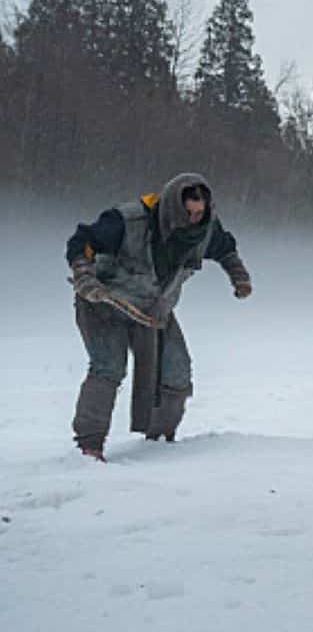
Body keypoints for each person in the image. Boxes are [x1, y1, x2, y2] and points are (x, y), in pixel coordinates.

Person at [64, 172, 252, 459]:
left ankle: (159, 444)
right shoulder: (128, 221)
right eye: (187, 213)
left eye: (199, 213)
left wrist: (239, 277)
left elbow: (226, 249)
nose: (193, 219)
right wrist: (85, 276)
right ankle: (90, 445)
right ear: (173, 207)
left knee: (177, 373)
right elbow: (82, 242)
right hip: (104, 304)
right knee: (108, 368)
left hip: (153, 309)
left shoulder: (205, 229)